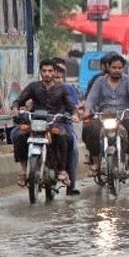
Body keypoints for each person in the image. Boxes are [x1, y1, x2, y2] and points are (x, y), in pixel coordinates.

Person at [11, 59, 79, 187]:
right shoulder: (33, 87)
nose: (47, 74)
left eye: (50, 71)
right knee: (18, 135)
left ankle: (62, 169)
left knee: (66, 137)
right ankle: (24, 169)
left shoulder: (62, 89)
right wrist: (15, 109)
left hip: (55, 122)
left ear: (54, 72)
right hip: (36, 122)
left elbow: (71, 106)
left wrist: (74, 114)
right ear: (40, 72)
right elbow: (19, 100)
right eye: (44, 71)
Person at [82, 52, 129, 175]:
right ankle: (96, 162)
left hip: (123, 116)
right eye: (114, 68)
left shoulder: (128, 80)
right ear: (108, 67)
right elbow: (91, 98)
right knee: (92, 130)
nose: (117, 70)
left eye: (119, 68)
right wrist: (87, 111)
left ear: (123, 68)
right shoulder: (100, 81)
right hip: (103, 116)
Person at [54, 58, 81, 195]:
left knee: (74, 148)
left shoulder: (68, 89)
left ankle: (71, 184)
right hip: (44, 124)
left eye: (60, 75)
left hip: (65, 123)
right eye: (55, 75)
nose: (57, 79)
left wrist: (74, 114)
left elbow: (74, 107)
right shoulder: (38, 87)